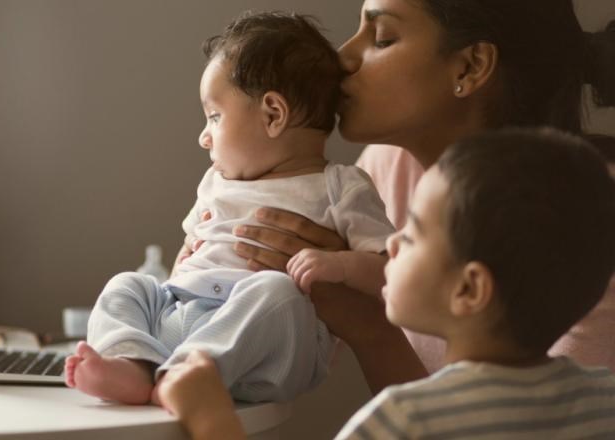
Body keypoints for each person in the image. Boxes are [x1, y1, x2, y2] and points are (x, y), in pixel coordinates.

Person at [174, 0, 615, 391]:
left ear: (469, 66)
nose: (343, 57)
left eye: (382, 37)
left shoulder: (588, 224)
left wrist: (365, 321)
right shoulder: (383, 169)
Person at [158, 128, 615, 439]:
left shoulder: (404, 420)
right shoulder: (603, 400)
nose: (391, 243)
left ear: (469, 290)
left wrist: (211, 417)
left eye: (412, 233)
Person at [64, 11, 395, 405]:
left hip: (264, 346)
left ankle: (184, 376)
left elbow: (390, 271)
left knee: (277, 291)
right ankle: (134, 364)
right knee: (127, 285)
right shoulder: (215, 182)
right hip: (183, 319)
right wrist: (178, 273)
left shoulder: (341, 186)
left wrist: (339, 266)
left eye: (215, 117)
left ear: (273, 114)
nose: (204, 137)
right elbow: (188, 254)